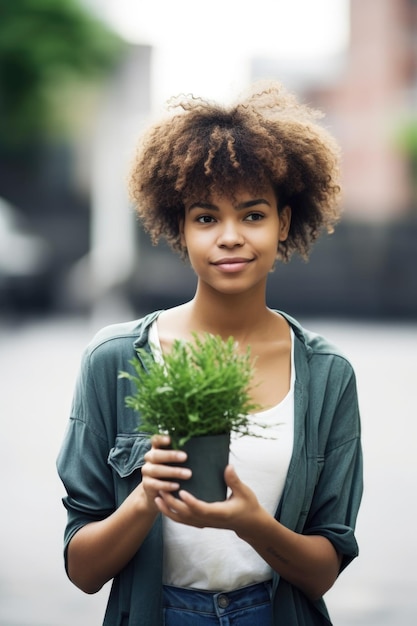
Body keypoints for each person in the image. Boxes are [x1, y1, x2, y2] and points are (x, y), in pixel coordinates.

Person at [57, 80, 363, 626]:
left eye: (252, 215)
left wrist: (253, 524)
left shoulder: (326, 374)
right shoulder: (115, 359)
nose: (229, 237)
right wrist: (144, 497)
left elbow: (323, 571)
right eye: (205, 218)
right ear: (180, 226)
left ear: (283, 223)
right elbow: (81, 571)